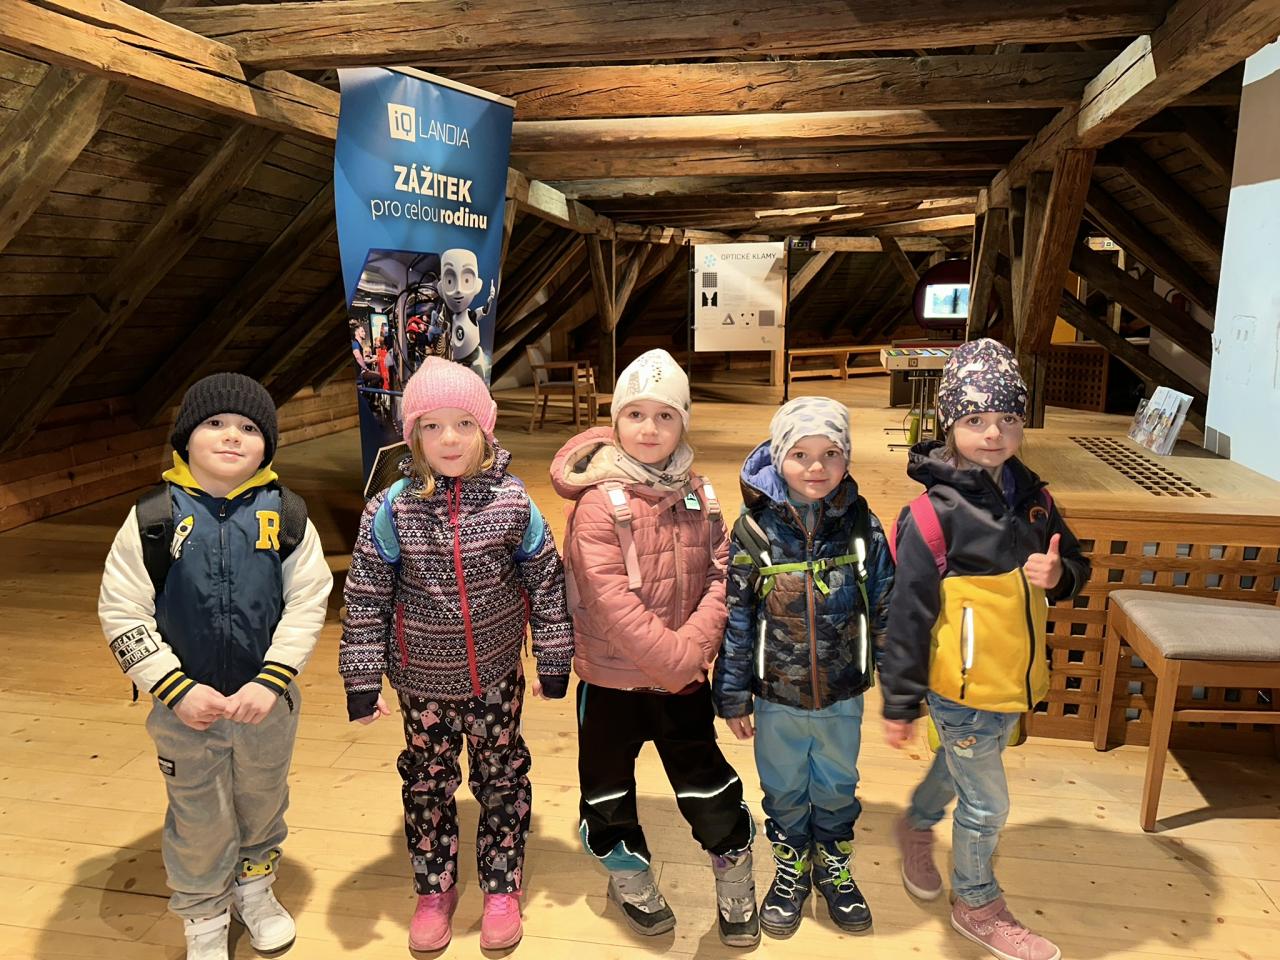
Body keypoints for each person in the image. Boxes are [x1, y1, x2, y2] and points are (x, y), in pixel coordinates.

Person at [340, 357, 573, 952]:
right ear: (413, 434)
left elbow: (547, 581)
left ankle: (501, 884)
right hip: (420, 683)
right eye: (432, 425)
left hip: (496, 677)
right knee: (427, 782)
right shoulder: (391, 509)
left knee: (502, 776)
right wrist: (362, 678)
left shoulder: (513, 503)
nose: (449, 439)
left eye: (464, 424)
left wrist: (553, 657)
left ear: (485, 428)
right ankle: (433, 888)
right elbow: (366, 595)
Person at [98, 373, 332, 960]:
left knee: (263, 799)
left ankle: (254, 888)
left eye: (249, 427)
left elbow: (308, 600)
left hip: (266, 706)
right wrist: (173, 688)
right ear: (185, 437)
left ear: (267, 445)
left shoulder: (288, 516)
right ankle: (202, 912)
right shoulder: (152, 517)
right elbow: (122, 609)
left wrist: (273, 680)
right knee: (197, 813)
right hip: (185, 710)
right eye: (215, 423)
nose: (232, 436)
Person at [880, 339, 1091, 960]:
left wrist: (1060, 575)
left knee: (959, 768)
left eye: (1007, 418)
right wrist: (900, 703)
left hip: (1012, 682)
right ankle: (977, 903)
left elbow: (1076, 563)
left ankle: (916, 822)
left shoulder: (1035, 499)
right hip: (960, 687)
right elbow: (907, 615)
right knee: (987, 802)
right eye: (975, 419)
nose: (994, 433)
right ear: (950, 424)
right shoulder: (930, 516)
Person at [550, 348, 759, 948]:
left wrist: (692, 647)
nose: (650, 428)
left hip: (683, 679)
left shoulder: (701, 496)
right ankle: (629, 875)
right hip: (611, 682)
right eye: (635, 414)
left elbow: (721, 574)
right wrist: (679, 660)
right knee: (607, 790)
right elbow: (609, 600)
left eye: (665, 415)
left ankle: (733, 866)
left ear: (683, 423)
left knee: (706, 781)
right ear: (615, 421)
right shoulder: (597, 503)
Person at [713, 396, 894, 938]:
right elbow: (736, 618)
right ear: (778, 457)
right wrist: (733, 695)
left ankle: (833, 864)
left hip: (843, 692)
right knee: (783, 784)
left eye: (831, 453)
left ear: (847, 458)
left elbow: (886, 603)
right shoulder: (753, 531)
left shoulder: (861, 526)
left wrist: (900, 685)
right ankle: (790, 864)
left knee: (838, 783)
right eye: (801, 454)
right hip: (776, 695)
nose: (816, 467)